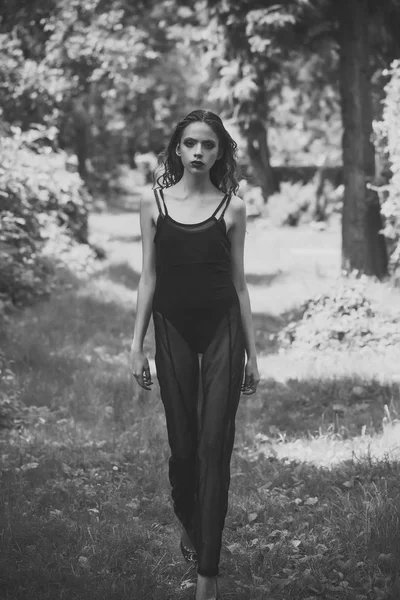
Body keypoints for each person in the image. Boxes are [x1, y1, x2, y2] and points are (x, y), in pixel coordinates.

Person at [130, 109, 260, 600]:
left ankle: (208, 572)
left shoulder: (234, 208)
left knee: (214, 446)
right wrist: (135, 344)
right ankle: (189, 518)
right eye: (191, 144)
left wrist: (253, 352)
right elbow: (148, 277)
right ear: (177, 149)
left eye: (209, 144)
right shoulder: (153, 202)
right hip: (172, 328)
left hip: (223, 327)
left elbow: (240, 285)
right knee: (183, 449)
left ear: (220, 151)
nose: (200, 152)